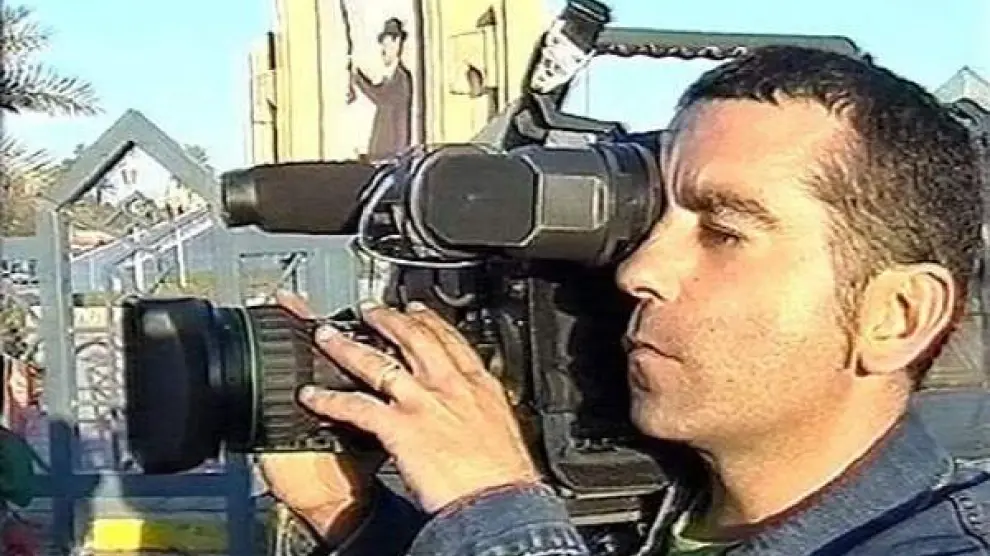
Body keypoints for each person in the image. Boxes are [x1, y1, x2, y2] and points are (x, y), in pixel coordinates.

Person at [262, 45, 989, 555]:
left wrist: (491, 508)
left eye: (722, 232)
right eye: (651, 225)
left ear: (896, 316)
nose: (639, 270)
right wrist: (351, 517)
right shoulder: (650, 518)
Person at [348, 17, 414, 161]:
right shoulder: (391, 77)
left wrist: (358, 78)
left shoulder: (401, 78)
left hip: (391, 154)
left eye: (386, 45)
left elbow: (381, 98)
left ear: (397, 43)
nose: (383, 51)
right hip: (383, 152)